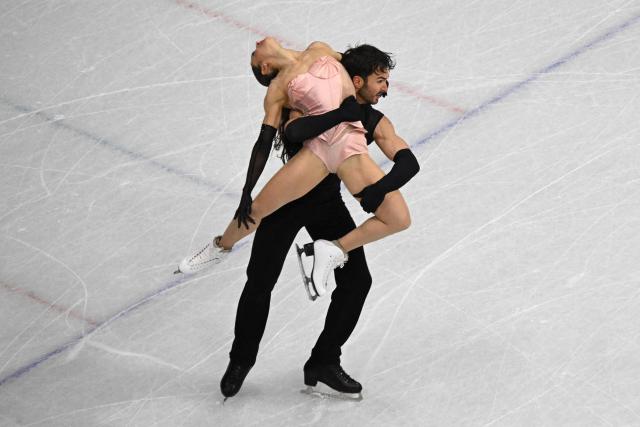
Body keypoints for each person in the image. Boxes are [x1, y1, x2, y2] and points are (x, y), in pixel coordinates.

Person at [214, 44, 420, 400]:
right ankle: (241, 360)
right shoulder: (303, 99)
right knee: (260, 281)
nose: (383, 90)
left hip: (326, 205)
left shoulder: (369, 117)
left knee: (357, 281)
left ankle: (324, 360)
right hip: (287, 204)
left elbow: (402, 156)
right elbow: (290, 119)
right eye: (378, 80)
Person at [178, 37, 412, 296]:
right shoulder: (277, 89)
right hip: (318, 151)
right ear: (265, 67)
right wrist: (247, 189)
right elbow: (264, 140)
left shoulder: (319, 49)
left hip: (351, 142)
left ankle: (334, 249)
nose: (256, 43)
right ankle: (219, 248)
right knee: (256, 209)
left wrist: (372, 92)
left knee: (399, 218)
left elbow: (358, 72)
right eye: (254, 54)